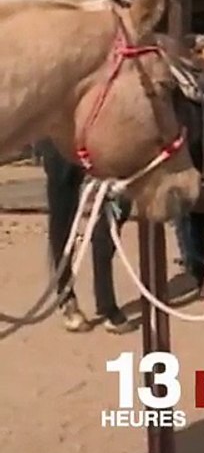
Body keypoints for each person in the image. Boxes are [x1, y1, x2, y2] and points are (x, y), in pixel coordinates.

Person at [36, 138, 134, 333]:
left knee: (120, 200)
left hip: (105, 131)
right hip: (63, 132)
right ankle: (66, 296)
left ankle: (105, 299)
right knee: (63, 208)